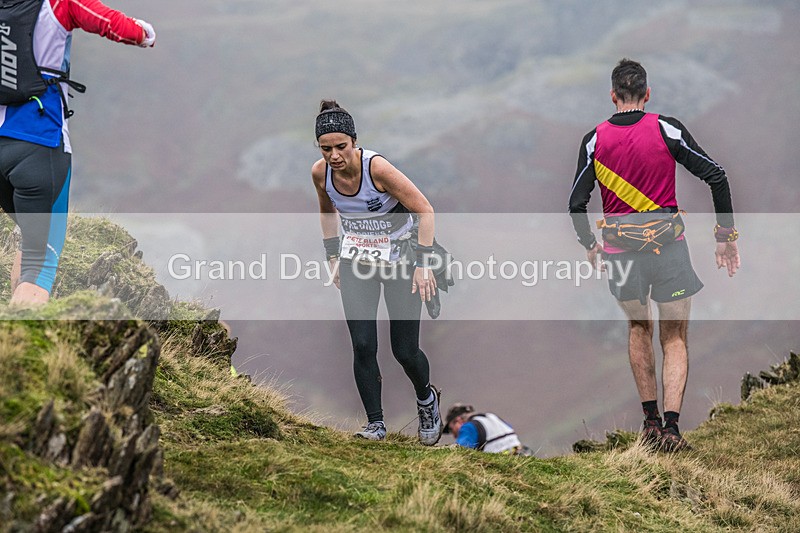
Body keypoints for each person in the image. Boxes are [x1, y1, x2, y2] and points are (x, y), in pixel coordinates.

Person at [568, 58, 740, 452]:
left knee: (638, 329)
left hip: (620, 251)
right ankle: (673, 430)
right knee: (675, 337)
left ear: (613, 96)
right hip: (669, 248)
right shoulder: (666, 128)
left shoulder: (595, 139)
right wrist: (725, 235)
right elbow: (717, 176)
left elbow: (577, 204)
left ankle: (649, 423)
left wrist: (589, 245)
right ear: (647, 95)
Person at [0, 0, 156, 305]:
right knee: (41, 258)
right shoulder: (61, 4)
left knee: (30, 243)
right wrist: (146, 31)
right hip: (39, 147)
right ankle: (18, 347)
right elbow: (137, 33)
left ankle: (12, 327)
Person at [311, 99, 443, 445]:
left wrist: (424, 264)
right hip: (358, 263)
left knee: (405, 350)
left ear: (354, 141)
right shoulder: (320, 173)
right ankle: (376, 424)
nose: (334, 155)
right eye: (326, 148)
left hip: (400, 261)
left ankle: (426, 399)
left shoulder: (378, 170)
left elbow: (425, 210)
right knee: (363, 345)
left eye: (341, 146)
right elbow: (327, 212)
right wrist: (332, 255)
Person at [443, 403, 531, 455]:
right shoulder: (492, 417)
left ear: (458, 421)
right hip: (521, 454)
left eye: (451, 430)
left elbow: (459, 452)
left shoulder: (468, 427)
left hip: (502, 463)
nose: (454, 436)